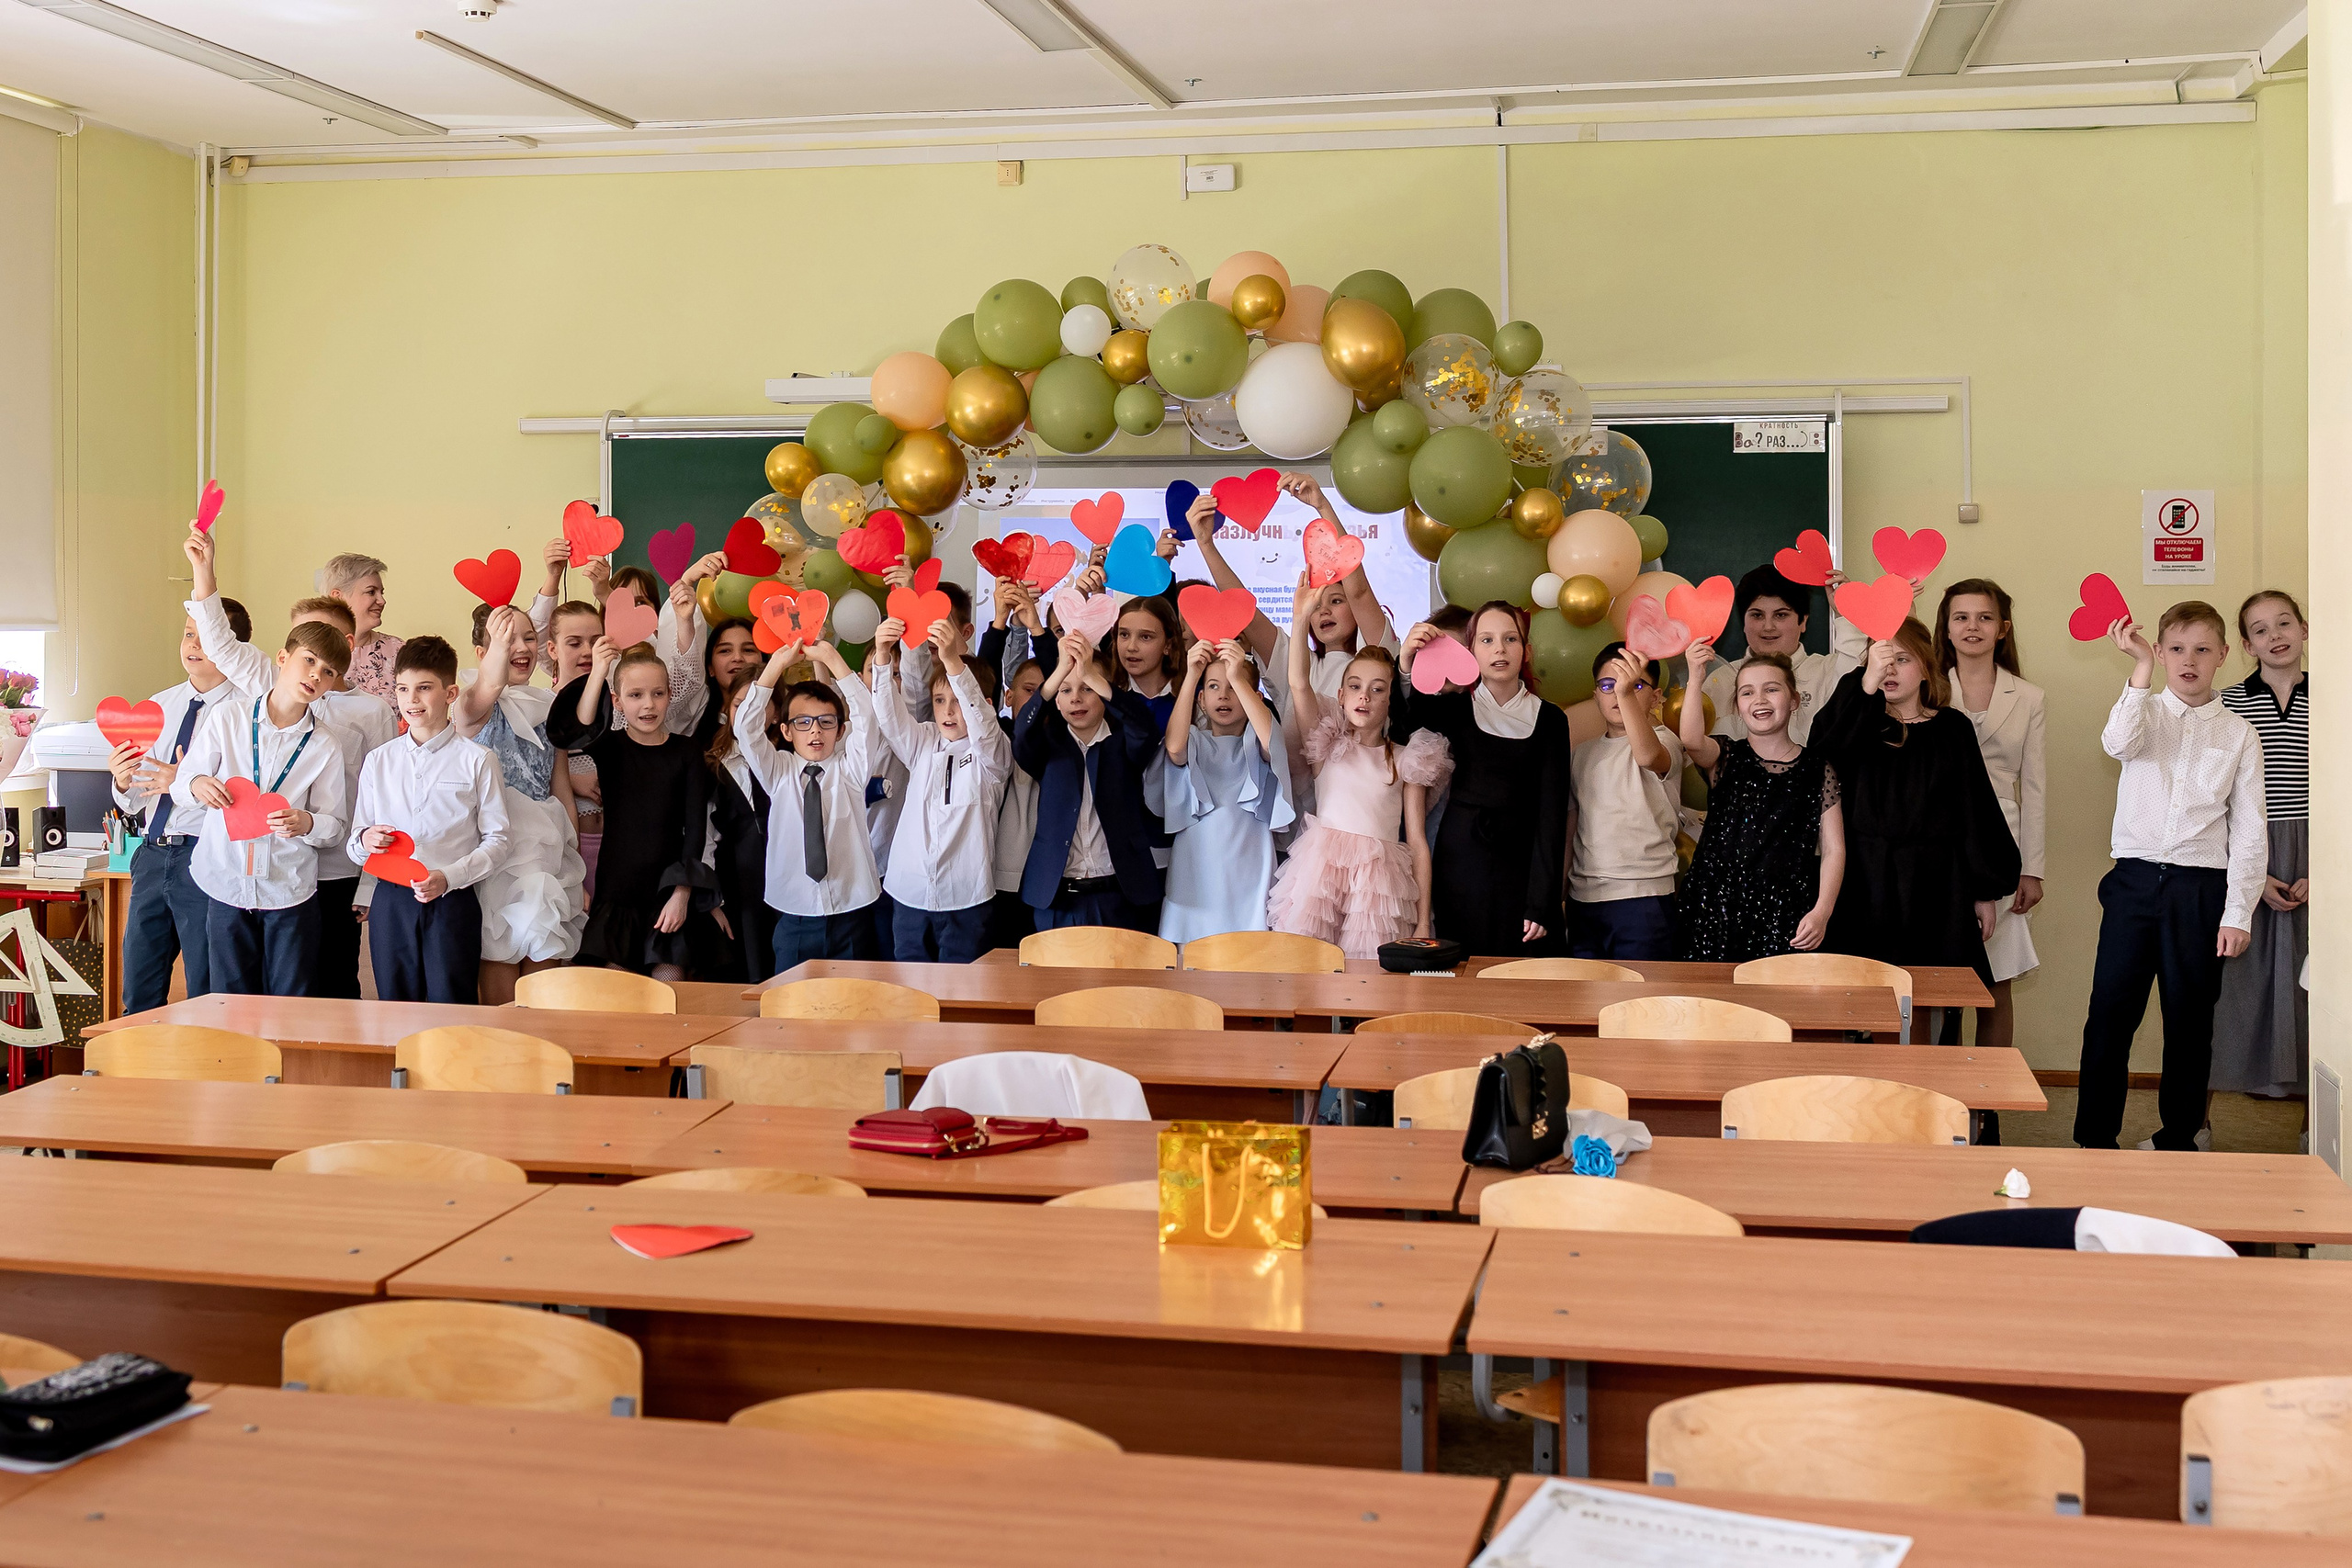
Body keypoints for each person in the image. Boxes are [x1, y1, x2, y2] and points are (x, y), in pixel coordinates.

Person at [2075, 603, 2266, 1152]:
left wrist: (2238, 914)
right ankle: (2094, 1139)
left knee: (2189, 1022)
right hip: (2133, 883)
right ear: (2160, 653)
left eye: (2203, 650)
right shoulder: (2143, 710)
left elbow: (2250, 830)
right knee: (2109, 1015)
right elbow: (2117, 744)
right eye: (2177, 649)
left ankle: (2178, 1138)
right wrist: (2138, 670)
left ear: (2223, 656)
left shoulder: (2239, 734)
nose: (2189, 661)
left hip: (2200, 891)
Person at [185, 528, 396, 1000]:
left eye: (327, 658)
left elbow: (378, 800)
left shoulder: (369, 713)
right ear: (287, 654)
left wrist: (369, 884)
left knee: (328, 984)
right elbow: (219, 642)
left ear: (344, 646)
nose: (314, 669)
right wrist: (204, 571)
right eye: (304, 648)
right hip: (260, 867)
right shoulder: (262, 687)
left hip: (336, 869)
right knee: (246, 986)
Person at [1812, 616, 2019, 997]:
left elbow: (1974, 809)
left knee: (1932, 995)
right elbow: (1824, 755)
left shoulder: (1953, 728)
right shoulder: (1858, 724)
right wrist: (1866, 684)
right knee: (1863, 995)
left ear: (1926, 667)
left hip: (1937, 884)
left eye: (1902, 660)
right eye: (1880, 660)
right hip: (1865, 880)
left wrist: (1983, 890)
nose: (1890, 669)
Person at [168, 622, 354, 997]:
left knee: (292, 999)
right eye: (309, 660)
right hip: (225, 880)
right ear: (283, 657)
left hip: (288, 888)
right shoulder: (229, 718)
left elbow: (335, 825)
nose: (316, 675)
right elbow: (181, 785)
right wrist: (197, 783)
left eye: (328, 672)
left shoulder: (325, 745)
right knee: (228, 998)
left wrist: (307, 822)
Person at [1268, 586, 1447, 959]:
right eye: (1355, 687)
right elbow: (1298, 683)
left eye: (1377, 689)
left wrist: (1422, 921)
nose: (1364, 696)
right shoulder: (1325, 745)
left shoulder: (1407, 759)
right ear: (1341, 696)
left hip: (1377, 887)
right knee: (1311, 967)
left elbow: (1417, 842)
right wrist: (1300, 619)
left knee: (1368, 972)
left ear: (1389, 701)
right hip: (1320, 878)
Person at [1397, 602, 1572, 957]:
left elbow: (1552, 815)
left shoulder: (1551, 719)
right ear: (1471, 651)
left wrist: (1542, 901)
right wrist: (1405, 661)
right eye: (1487, 640)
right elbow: (1404, 724)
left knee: (1520, 970)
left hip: (1521, 864)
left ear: (1526, 650)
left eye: (1510, 639)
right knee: (1461, 966)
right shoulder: (1454, 708)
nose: (1499, 650)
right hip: (1460, 862)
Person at [348, 637, 510, 1004]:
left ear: (450, 693)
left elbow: (499, 840)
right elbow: (356, 841)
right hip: (391, 900)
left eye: (424, 688)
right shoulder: (378, 761)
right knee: (394, 1006)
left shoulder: (478, 760)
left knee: (452, 1004)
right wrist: (365, 841)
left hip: (452, 899)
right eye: (402, 688)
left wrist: (449, 877)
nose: (412, 699)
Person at [112, 593, 250, 1012]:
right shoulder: (159, 705)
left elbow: (246, 796)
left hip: (206, 856)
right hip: (152, 855)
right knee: (139, 986)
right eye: (189, 635)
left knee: (205, 987)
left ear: (232, 646)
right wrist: (122, 781)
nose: (193, 645)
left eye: (205, 637)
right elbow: (134, 799)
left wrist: (184, 782)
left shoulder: (247, 711)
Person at [546, 639, 715, 980]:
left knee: (669, 990)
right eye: (636, 695)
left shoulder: (686, 752)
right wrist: (599, 672)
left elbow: (696, 829)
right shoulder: (610, 746)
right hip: (618, 895)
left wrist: (682, 894)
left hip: (667, 894)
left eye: (657, 694)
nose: (648, 704)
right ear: (617, 702)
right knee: (621, 996)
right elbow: (577, 729)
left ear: (669, 695)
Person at [451, 604, 586, 1004]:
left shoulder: (549, 705)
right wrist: (499, 644)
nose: (522, 647)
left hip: (544, 854)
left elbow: (560, 787)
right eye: (509, 640)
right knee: (498, 947)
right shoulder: (471, 705)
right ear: (483, 652)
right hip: (494, 850)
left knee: (545, 946)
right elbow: (489, 686)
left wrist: (573, 857)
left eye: (529, 638)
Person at [1675, 645, 1844, 961]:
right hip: (1715, 910)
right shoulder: (1726, 756)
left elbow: (1834, 848)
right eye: (1747, 692)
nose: (1760, 699)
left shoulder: (1818, 769)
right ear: (1738, 706)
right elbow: (1692, 740)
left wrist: (1822, 910)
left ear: (1794, 700)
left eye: (1772, 689)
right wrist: (1695, 677)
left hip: (1785, 912)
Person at [1935, 580, 2047, 1055]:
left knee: (1995, 982)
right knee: (1940, 985)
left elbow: (2035, 789)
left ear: (2003, 628)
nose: (1972, 627)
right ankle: (1940, 1089)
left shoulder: (2029, 697)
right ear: (1946, 627)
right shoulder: (1927, 688)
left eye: (1984, 617)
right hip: (1937, 845)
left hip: (1999, 850)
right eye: (1961, 617)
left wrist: (2032, 869)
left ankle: (1990, 1092)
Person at [1184, 475, 1394, 730]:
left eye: (1336, 600)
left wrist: (1322, 505)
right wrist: (1206, 544)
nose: (1324, 611)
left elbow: (1359, 591)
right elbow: (1244, 610)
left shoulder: (1375, 655)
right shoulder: (1296, 661)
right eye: (1315, 606)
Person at [2213, 591, 2310, 1109]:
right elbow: (2216, 798)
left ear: (2304, 630)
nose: (2276, 636)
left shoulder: (2335, 696)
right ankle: (2196, 1127)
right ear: (2247, 645)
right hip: (2245, 852)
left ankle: (2315, 1132)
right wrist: (2251, 874)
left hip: (2317, 853)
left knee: (2315, 992)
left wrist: (2329, 871)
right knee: (2230, 991)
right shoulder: (2227, 703)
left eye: (2284, 623)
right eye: (2260, 629)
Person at [734, 637, 884, 969]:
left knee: (854, 997)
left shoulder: (850, 770)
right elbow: (746, 729)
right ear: (786, 731)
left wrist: (832, 659)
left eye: (826, 722)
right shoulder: (779, 771)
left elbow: (868, 719)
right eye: (803, 722)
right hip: (795, 915)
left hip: (851, 912)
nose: (815, 731)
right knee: (790, 998)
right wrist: (776, 665)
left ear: (840, 730)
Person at [868, 613, 1012, 962]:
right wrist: (882, 657)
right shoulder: (924, 740)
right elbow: (890, 718)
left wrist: (952, 661)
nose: (948, 711)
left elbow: (984, 728)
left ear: (984, 705)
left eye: (958, 701)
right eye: (939, 700)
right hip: (909, 893)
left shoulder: (993, 754)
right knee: (910, 987)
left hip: (966, 898)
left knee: (963, 989)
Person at [1014, 632, 1164, 932]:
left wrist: (1093, 676)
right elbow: (1022, 734)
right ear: (1057, 701)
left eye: (1087, 688)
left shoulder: (1123, 743)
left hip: (1119, 895)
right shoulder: (1048, 747)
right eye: (1066, 690)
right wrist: (1058, 673)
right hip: (1057, 898)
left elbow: (1144, 729)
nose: (1076, 698)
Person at [1157, 637, 1294, 945]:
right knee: (1191, 954)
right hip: (1196, 866)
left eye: (1233, 687)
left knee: (1248, 953)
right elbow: (1174, 748)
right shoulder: (1194, 740)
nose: (1224, 695)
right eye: (1214, 687)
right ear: (1201, 699)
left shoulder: (1257, 744)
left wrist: (1238, 674)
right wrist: (1192, 674)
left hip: (1249, 867)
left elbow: (1271, 743)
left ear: (1254, 697)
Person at [1566, 645, 1686, 960]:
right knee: (1584, 989)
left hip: (1643, 897)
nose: (1619, 692)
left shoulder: (1666, 741)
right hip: (1585, 900)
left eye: (1634, 685)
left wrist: (1624, 693)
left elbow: (1647, 756)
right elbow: (1572, 828)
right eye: (1608, 685)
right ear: (1595, 695)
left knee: (1642, 989)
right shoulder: (1582, 754)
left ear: (1656, 697)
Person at [694, 617, 778, 981]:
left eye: (748, 649)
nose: (738, 658)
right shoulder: (706, 751)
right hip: (736, 885)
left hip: (785, 880)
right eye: (725, 650)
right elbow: (702, 832)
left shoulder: (790, 755)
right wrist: (710, 896)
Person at [1701, 563, 1849, 745]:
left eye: (1781, 615)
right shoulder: (1720, 681)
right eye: (1757, 615)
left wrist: (1847, 614)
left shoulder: (1829, 671)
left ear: (1803, 621)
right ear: (1744, 623)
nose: (1768, 627)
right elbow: (1697, 750)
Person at [542, 597, 606, 895]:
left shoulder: (618, 705)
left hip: (619, 849)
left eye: (595, 641)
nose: (587, 651)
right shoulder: (541, 709)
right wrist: (569, 778)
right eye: (574, 643)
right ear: (552, 649)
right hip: (568, 854)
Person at [987, 651, 1046, 952]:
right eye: (1029, 691)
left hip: (1043, 880)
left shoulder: (1059, 745)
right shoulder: (994, 739)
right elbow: (980, 679)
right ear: (1008, 696)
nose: (1036, 700)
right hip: (995, 878)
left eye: (1044, 694)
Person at [320, 552, 401, 704]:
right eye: (371, 592)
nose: (382, 601)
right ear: (337, 597)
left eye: (381, 592)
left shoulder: (399, 651)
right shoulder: (312, 652)